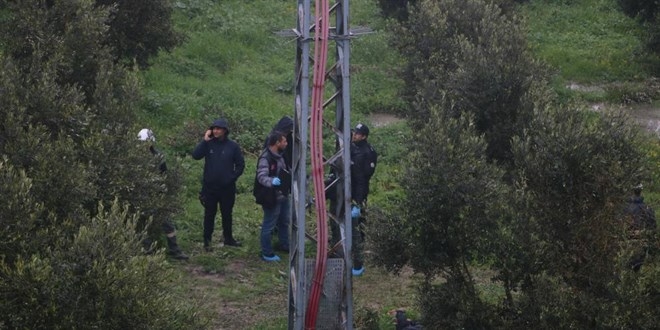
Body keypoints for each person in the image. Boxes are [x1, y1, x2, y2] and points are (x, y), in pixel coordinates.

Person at [192, 119, 245, 251]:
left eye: (219, 129)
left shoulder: (233, 146)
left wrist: (231, 178)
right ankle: (207, 241)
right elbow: (195, 155)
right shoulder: (208, 144)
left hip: (227, 188)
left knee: (227, 214)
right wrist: (204, 140)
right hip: (210, 188)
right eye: (214, 128)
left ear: (225, 130)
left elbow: (240, 165)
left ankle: (228, 238)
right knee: (209, 214)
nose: (216, 131)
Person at [137, 128, 189, 260]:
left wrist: (163, 192)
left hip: (157, 194)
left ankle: (174, 249)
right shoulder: (135, 157)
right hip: (142, 195)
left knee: (167, 224)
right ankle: (146, 251)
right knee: (143, 224)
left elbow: (164, 174)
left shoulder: (158, 156)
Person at [254, 131, 291, 261]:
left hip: (283, 195)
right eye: (284, 141)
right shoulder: (266, 158)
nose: (286, 144)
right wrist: (272, 181)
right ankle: (267, 252)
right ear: (277, 143)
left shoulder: (281, 155)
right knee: (269, 224)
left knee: (284, 221)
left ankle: (284, 244)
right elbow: (261, 176)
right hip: (271, 197)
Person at [349, 123, 377, 276]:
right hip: (348, 191)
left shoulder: (368, 152)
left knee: (358, 229)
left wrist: (358, 202)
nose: (355, 135)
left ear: (364, 136)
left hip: (359, 194)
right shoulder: (351, 147)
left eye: (358, 133)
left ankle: (358, 263)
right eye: (355, 132)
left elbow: (364, 179)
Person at [622, 184, 657, 271]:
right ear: (641, 192)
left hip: (624, 245)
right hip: (642, 245)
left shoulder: (622, 209)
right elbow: (653, 229)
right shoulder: (648, 209)